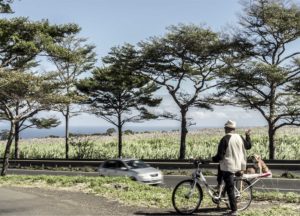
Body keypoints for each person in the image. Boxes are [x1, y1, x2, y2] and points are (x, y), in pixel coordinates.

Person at [212, 120, 251, 216]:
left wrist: (211, 159)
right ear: (234, 129)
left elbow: (220, 157)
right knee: (222, 171)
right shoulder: (240, 137)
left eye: (225, 128)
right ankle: (220, 186)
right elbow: (248, 146)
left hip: (229, 166)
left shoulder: (225, 139)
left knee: (230, 188)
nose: (224, 129)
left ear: (227, 129)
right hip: (240, 165)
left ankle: (234, 211)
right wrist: (247, 135)